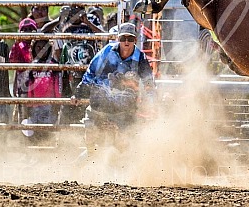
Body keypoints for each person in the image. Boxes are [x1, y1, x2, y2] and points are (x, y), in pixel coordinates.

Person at [72, 23, 156, 152]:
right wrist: (79, 92)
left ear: (135, 40)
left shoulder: (140, 58)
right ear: (118, 39)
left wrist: (152, 103)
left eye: (130, 38)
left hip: (124, 109)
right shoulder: (107, 51)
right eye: (123, 38)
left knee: (123, 144)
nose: (126, 42)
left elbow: (148, 83)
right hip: (100, 104)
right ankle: (91, 156)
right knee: (91, 136)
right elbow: (91, 71)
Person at [27, 39, 62, 143]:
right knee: (36, 130)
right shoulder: (32, 66)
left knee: (48, 130)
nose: (41, 50)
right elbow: (29, 85)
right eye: (38, 47)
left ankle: (49, 153)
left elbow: (58, 84)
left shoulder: (53, 65)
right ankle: (37, 155)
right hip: (35, 104)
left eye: (44, 47)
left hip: (50, 104)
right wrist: (29, 103)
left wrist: (57, 102)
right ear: (34, 49)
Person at [9, 18, 38, 122]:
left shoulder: (38, 45)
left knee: (36, 110)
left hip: (37, 83)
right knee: (23, 112)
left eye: (31, 29)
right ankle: (23, 134)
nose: (28, 32)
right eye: (24, 29)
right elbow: (13, 61)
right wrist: (16, 42)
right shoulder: (19, 45)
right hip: (23, 84)